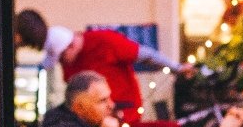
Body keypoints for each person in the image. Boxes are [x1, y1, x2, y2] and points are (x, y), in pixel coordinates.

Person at [42, 25, 189, 116]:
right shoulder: (69, 63)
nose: (61, 63)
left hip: (124, 114)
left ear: (71, 46)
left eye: (61, 58)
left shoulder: (105, 41)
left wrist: (176, 68)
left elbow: (146, 55)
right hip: (91, 120)